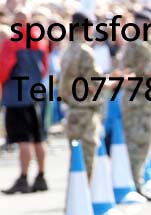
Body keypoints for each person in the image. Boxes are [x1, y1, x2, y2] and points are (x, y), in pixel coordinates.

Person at [118, 9, 151, 199]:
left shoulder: (149, 42)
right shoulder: (138, 44)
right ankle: (136, 183)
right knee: (137, 141)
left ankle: (140, 179)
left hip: (148, 97)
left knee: (146, 140)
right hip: (138, 99)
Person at [0, 8, 50, 195]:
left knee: (23, 139)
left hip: (17, 94)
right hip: (35, 93)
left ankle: (23, 177)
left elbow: (4, 69)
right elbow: (44, 69)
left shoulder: (12, 42)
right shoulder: (40, 41)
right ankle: (41, 176)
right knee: (38, 137)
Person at [60, 11, 105, 179]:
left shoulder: (68, 50)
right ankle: (83, 201)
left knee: (76, 160)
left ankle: (76, 201)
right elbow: (94, 84)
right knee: (86, 161)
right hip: (85, 110)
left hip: (72, 108)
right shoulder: (85, 52)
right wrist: (118, 81)